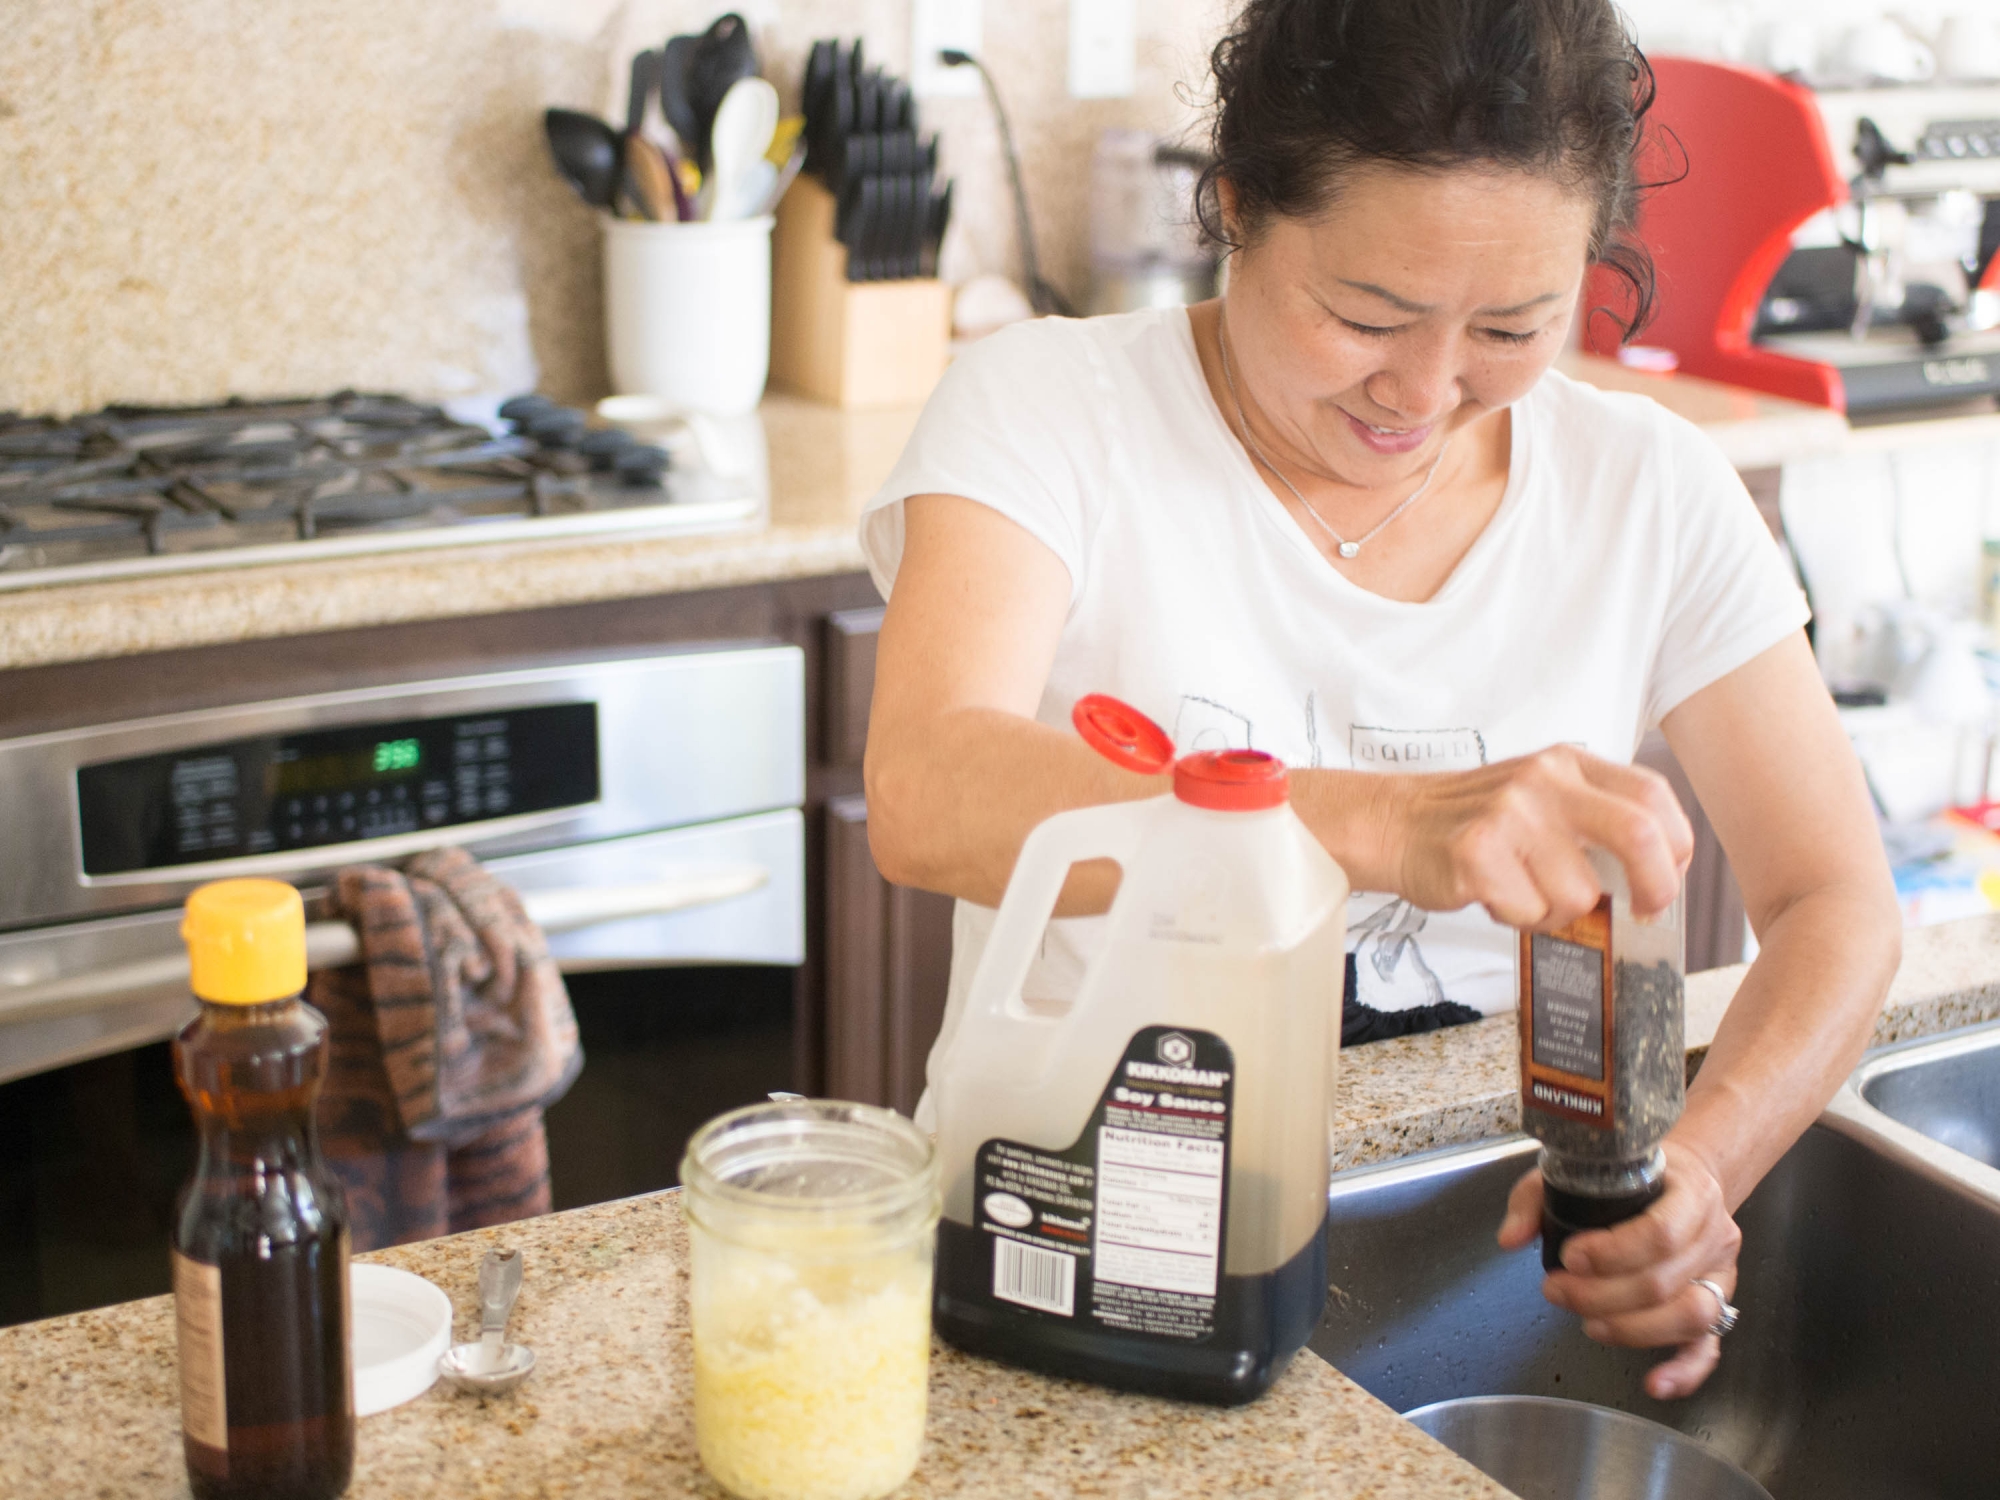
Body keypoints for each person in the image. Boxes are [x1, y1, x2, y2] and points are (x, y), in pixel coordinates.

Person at [859, 0, 1898, 1400]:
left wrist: (1702, 1168)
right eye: (1365, 315)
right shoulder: (1047, 409)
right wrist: (1382, 820)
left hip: (1478, 1259)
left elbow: (1838, 902)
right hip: (1070, 1229)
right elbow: (926, 789)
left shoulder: (1650, 490)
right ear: (1231, 208)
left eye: (1513, 324)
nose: (1422, 388)